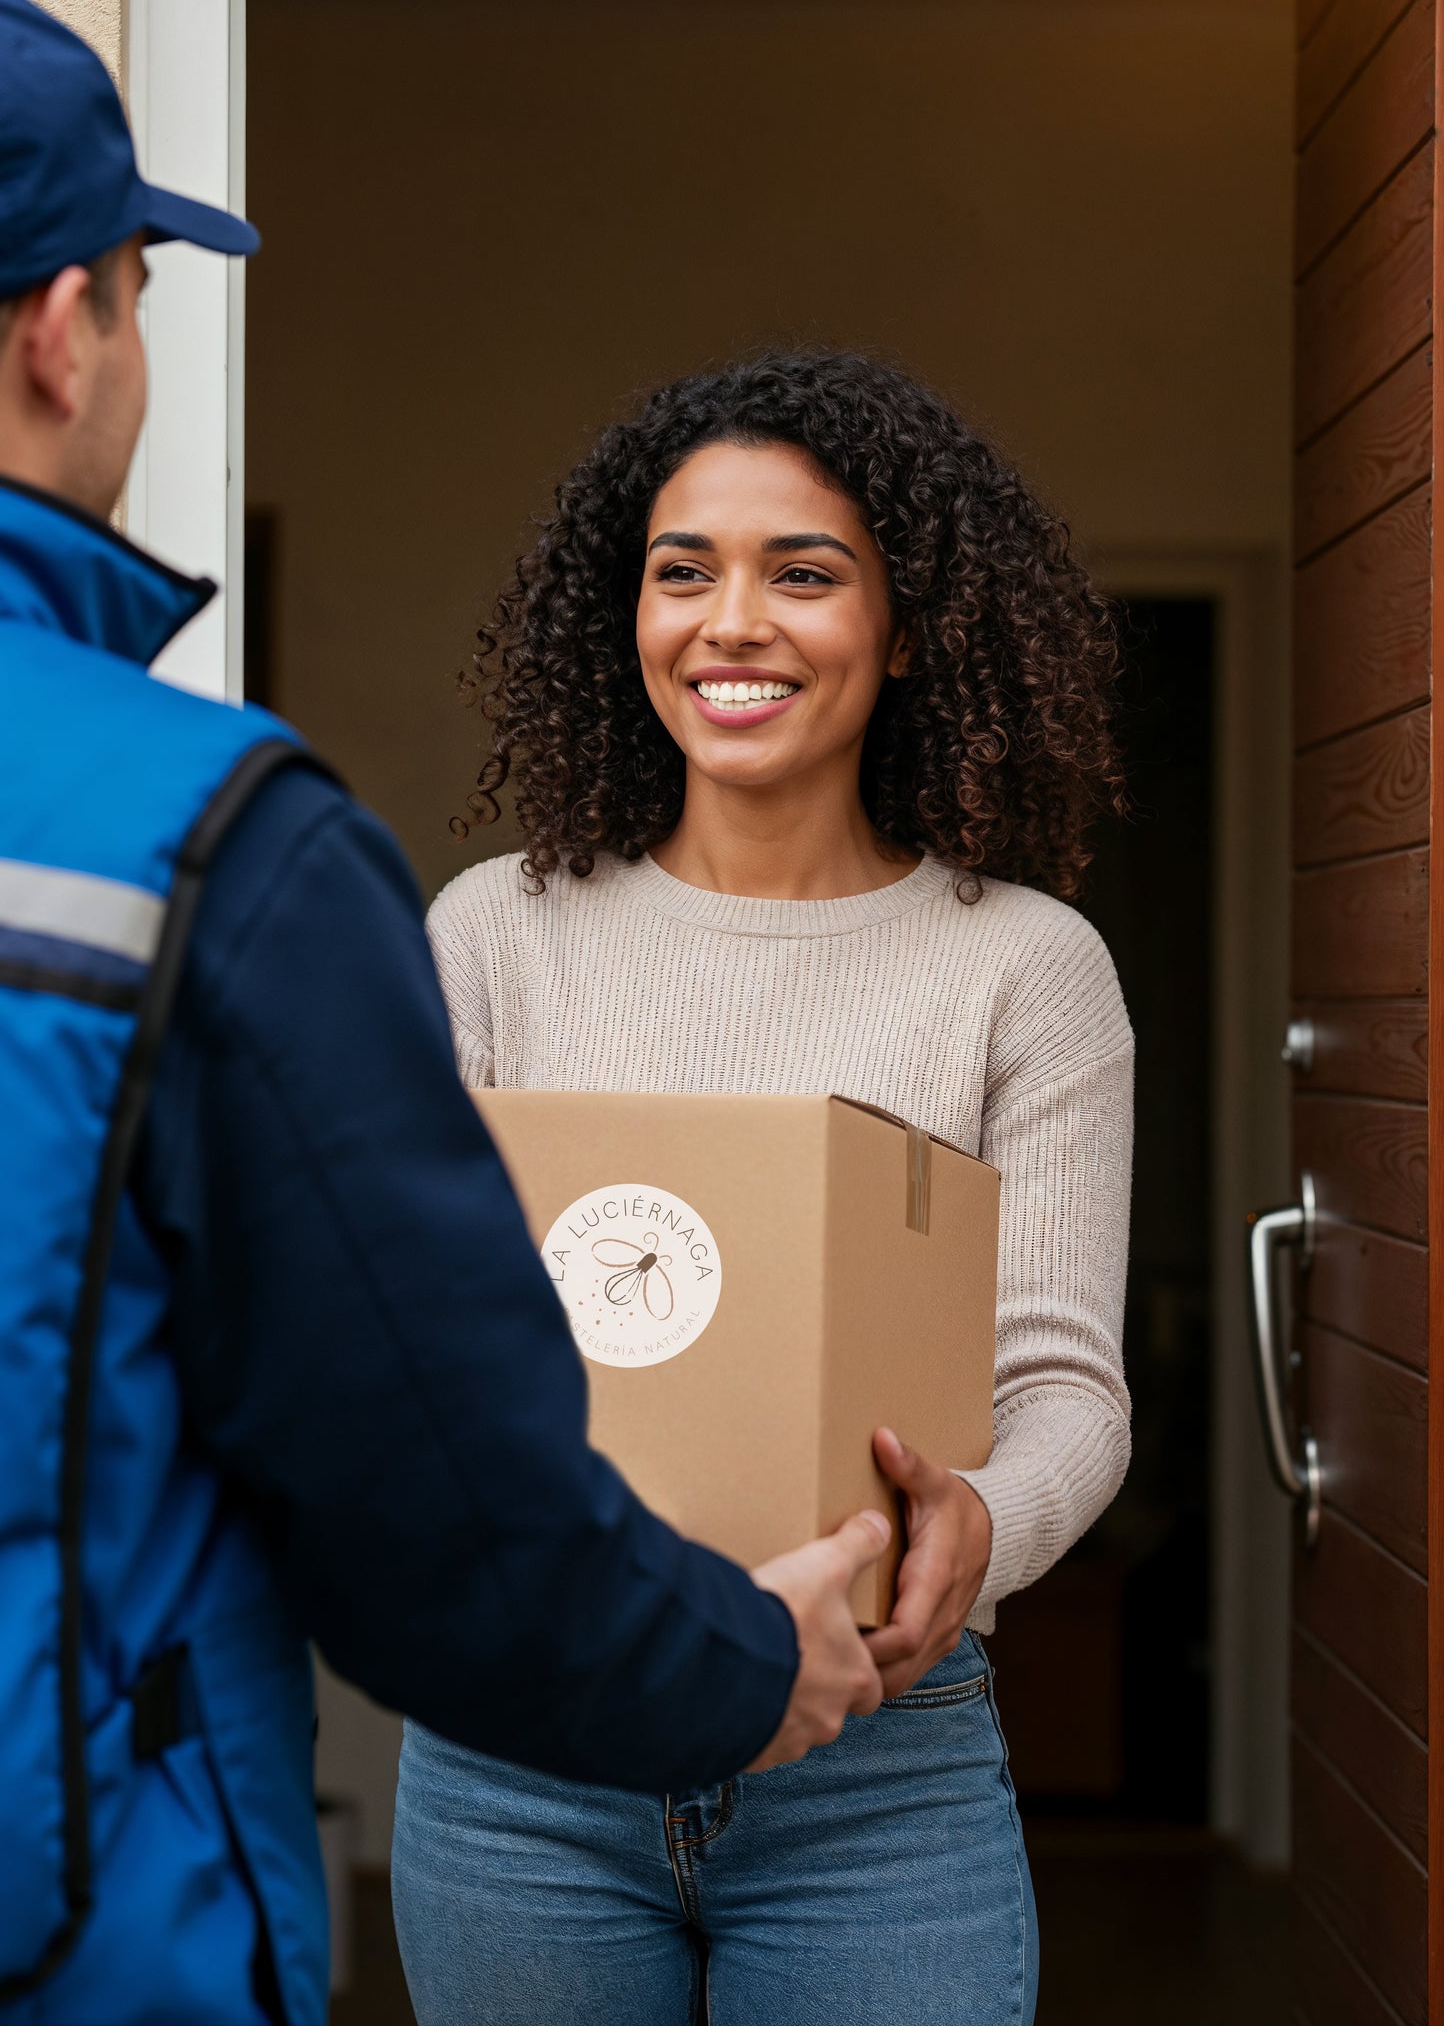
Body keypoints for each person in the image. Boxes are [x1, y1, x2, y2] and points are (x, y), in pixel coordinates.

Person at [0, 0, 892, 2026]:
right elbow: (441, 1505)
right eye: (132, 283)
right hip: (49, 1936)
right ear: (61, 332)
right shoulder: (202, 846)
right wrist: (742, 1661)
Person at [392, 350, 1134, 2026]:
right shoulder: (488, 937)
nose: (732, 622)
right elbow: (415, 1338)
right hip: (530, 1756)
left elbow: (1065, 1388)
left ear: (911, 623)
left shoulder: (1023, 970)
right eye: (684, 573)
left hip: (881, 1763)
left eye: (803, 574)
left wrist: (983, 1529)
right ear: (628, 617)